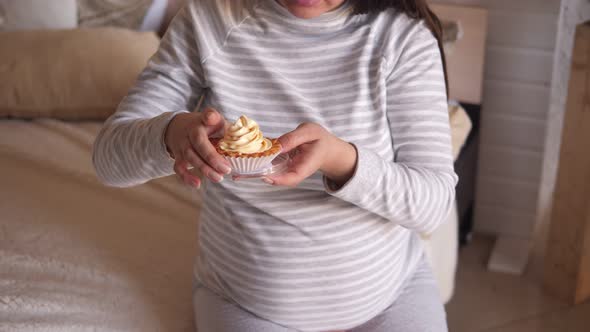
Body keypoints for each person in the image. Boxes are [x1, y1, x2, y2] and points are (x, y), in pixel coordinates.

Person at [92, 0, 458, 331]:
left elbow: (433, 205)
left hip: (391, 300)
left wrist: (341, 160)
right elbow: (108, 161)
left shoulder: (402, 38)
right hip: (246, 305)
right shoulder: (208, 19)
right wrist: (171, 135)